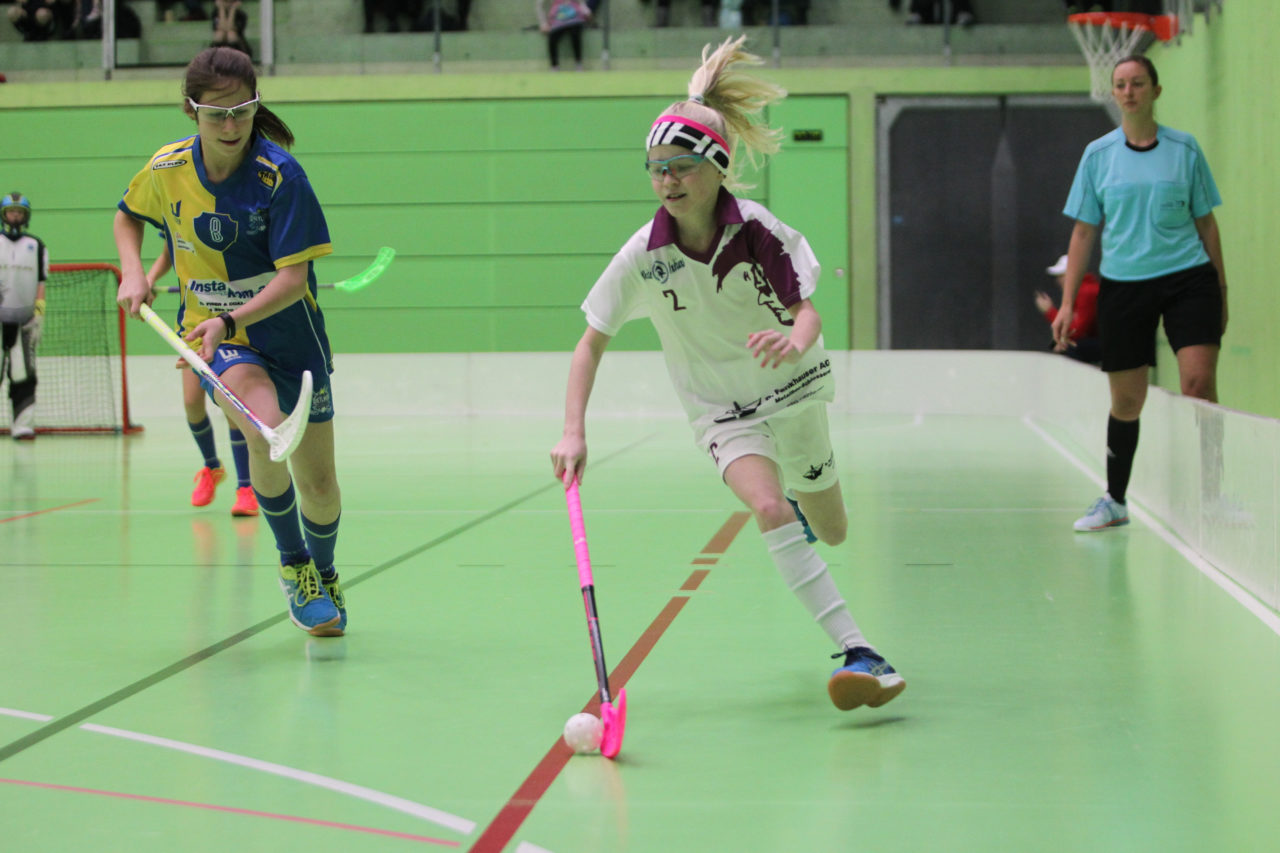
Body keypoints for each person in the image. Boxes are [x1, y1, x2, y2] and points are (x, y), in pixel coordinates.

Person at [550, 36, 906, 713]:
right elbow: (589, 343)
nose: (667, 180)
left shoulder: (757, 232)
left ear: (715, 166)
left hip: (793, 389)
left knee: (832, 529)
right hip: (721, 410)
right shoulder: (641, 256)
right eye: (656, 168)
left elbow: (809, 314)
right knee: (767, 506)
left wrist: (792, 343)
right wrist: (573, 431)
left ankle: (808, 496)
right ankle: (863, 650)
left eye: (681, 165)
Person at [114, 46, 346, 636]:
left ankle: (325, 570)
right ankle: (295, 568)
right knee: (267, 433)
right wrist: (135, 272)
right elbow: (127, 216)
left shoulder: (280, 177)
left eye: (242, 110)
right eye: (216, 113)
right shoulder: (167, 168)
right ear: (190, 110)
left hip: (291, 335)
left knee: (319, 483)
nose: (230, 124)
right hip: (222, 342)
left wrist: (231, 318)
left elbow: (294, 280)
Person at [1055, 54, 1227, 532]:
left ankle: (1212, 496)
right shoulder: (1098, 155)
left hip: (1188, 279)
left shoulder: (1185, 150)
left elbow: (1206, 222)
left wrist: (1221, 285)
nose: (1128, 91)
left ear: (1155, 90)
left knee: (1198, 384)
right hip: (1125, 285)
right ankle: (1114, 500)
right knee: (1127, 401)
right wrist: (1068, 303)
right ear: (1114, 93)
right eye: (1121, 85)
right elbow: (1084, 233)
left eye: (1137, 83)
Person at [146, 249, 258, 516]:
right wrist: (148, 280)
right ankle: (212, 466)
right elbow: (168, 253)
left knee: (231, 407)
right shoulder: (176, 213)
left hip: (231, 320)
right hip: (195, 320)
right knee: (192, 403)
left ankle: (246, 488)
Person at [0, 192, 48, 441]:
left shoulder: (37, 246)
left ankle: (22, 426)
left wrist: (38, 314)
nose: (15, 216)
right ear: (3, 215)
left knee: (23, 374)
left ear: (25, 216)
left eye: (20, 212)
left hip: (25, 320)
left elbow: (41, 282)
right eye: (11, 212)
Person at [1035, 253, 1100, 364]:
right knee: (1061, 345)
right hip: (1104, 342)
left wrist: (1049, 311)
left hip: (1110, 344)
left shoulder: (1085, 291)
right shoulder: (1082, 290)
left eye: (1062, 275)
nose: (1058, 281)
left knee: (1068, 348)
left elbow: (1077, 331)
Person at [536, 0, 591, 71]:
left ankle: (579, 64)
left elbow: (581, 3)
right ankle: (554, 66)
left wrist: (587, 11)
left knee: (575, 34)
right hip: (557, 20)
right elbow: (539, 5)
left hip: (574, 18)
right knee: (552, 38)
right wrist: (543, 23)